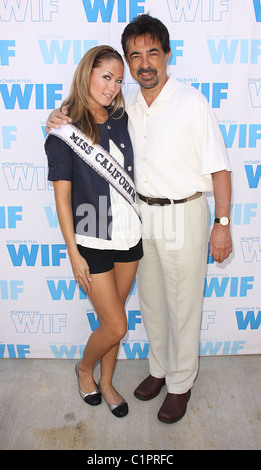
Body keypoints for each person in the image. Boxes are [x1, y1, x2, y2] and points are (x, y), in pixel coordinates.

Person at [46, 15, 232, 424]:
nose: (144, 63)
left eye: (152, 52)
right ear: (129, 64)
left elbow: (220, 169)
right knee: (150, 303)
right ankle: (159, 370)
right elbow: (82, 113)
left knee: (184, 305)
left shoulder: (193, 102)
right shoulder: (124, 101)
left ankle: (181, 384)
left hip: (184, 212)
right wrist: (55, 117)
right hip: (139, 215)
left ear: (167, 54)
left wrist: (222, 224)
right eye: (135, 56)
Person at [45, 45, 143, 418]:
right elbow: (63, 198)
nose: (113, 86)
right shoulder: (63, 130)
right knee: (117, 324)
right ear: (87, 73)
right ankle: (84, 370)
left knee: (111, 323)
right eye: (107, 77)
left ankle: (106, 382)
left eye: (119, 80)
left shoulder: (121, 115)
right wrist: (73, 253)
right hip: (91, 240)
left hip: (129, 237)